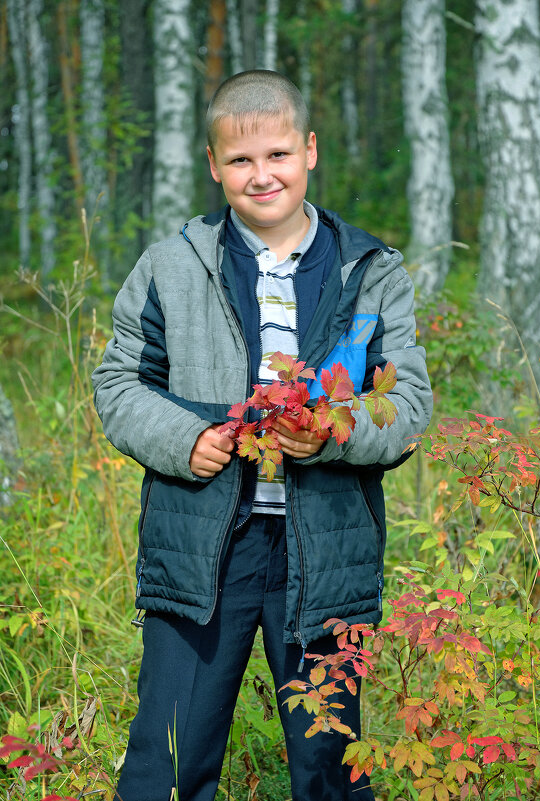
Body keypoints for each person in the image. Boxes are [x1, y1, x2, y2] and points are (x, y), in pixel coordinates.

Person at [92, 70, 432, 801]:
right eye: (240, 160)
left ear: (308, 150)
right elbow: (117, 383)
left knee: (328, 768)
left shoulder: (368, 272)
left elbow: (405, 404)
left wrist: (332, 437)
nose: (261, 174)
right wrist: (186, 439)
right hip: (201, 548)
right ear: (213, 164)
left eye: (277, 154)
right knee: (169, 759)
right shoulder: (171, 266)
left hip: (326, 551)